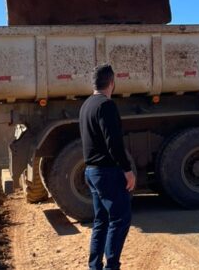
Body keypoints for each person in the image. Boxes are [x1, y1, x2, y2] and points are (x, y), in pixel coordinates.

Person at [80, 63, 136, 270]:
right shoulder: (106, 105)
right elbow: (114, 142)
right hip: (107, 172)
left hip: (92, 172)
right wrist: (128, 170)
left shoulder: (86, 105)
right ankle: (112, 266)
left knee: (101, 221)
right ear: (112, 83)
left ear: (94, 83)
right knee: (120, 218)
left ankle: (94, 266)